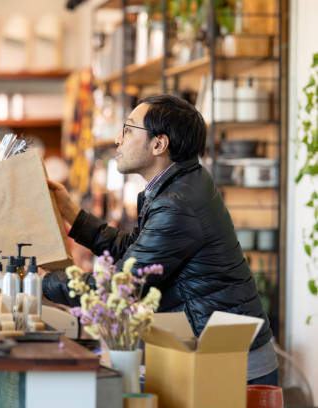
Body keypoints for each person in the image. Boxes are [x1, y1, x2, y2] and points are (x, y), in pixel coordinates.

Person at [43, 94, 278, 385]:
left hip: (234, 367)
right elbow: (133, 250)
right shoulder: (180, 184)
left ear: (159, 144)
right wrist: (71, 213)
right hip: (219, 351)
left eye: (128, 129)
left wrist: (43, 281)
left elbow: (124, 284)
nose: (118, 139)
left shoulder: (178, 204)